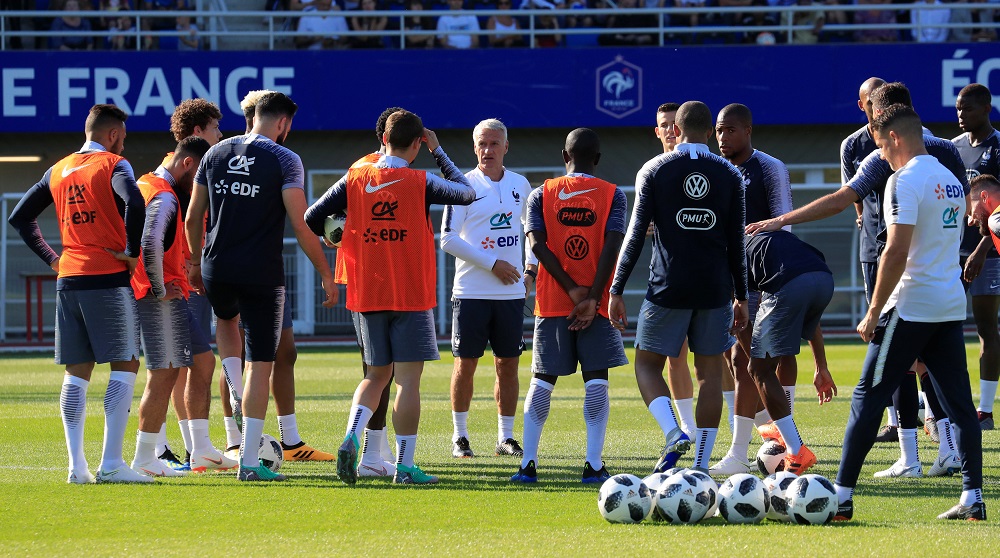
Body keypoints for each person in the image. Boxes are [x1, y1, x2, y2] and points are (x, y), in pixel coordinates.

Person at [747, 82, 969, 478]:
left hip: (900, 273)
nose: (875, 139)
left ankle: (878, 473)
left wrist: (781, 220)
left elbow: (843, 200)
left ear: (882, 118)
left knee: (880, 383)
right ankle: (954, 461)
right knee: (936, 371)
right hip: (947, 277)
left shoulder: (894, 162)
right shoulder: (945, 154)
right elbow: (963, 209)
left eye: (874, 123)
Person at [305, 110, 475, 486]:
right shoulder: (420, 180)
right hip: (410, 293)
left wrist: (340, 230)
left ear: (383, 139)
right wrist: (438, 150)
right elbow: (467, 192)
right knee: (407, 382)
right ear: (417, 144)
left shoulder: (355, 177)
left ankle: (351, 435)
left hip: (367, 291)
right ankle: (405, 467)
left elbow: (312, 216)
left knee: (376, 375)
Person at [834, 104, 985, 522]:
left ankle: (841, 498)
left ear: (895, 138)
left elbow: (896, 250)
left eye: (881, 145)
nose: (880, 154)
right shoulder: (950, 179)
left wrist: (874, 310)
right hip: (950, 304)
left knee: (867, 397)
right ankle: (973, 497)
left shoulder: (904, 180)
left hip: (911, 305)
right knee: (959, 404)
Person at [186, 91, 338, 482]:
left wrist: (192, 261)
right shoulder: (285, 158)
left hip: (215, 267)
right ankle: (250, 462)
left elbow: (192, 218)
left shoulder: (214, 153)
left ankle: (233, 407)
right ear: (283, 123)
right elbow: (301, 223)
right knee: (261, 364)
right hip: (261, 274)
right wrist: (325, 270)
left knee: (226, 326)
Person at [8, 104, 148, 484]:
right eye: (123, 137)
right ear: (114, 135)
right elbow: (134, 202)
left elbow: (19, 218)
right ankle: (112, 464)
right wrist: (133, 251)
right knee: (126, 364)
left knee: (77, 371)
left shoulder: (57, 169)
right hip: (106, 275)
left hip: (68, 278)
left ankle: (76, 468)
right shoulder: (114, 165)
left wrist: (53, 259)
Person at [609, 101, 748, 475]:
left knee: (646, 365)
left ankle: (673, 431)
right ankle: (701, 466)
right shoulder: (730, 175)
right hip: (715, 290)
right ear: (709, 131)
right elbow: (736, 241)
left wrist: (616, 288)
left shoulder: (654, 169)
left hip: (667, 287)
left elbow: (636, 233)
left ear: (677, 129)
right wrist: (742, 296)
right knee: (711, 377)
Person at [710, 103, 834, 474]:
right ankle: (752, 446)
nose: (723, 137)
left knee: (774, 358)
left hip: (767, 269)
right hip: (739, 270)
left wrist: (764, 277)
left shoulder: (769, 167)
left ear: (748, 130)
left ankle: (782, 438)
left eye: (730, 130)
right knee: (741, 361)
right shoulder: (716, 171)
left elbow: (783, 221)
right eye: (718, 130)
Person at [510, 128, 628, 484]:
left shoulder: (540, 194)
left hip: (552, 303)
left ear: (565, 156)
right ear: (597, 159)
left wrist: (572, 292)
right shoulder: (613, 195)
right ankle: (593, 466)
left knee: (542, 382)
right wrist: (592, 296)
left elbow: (537, 245)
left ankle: (528, 465)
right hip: (598, 306)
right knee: (597, 383)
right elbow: (612, 246)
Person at [129, 137, 233, 477]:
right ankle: (146, 456)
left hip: (167, 291)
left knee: (203, 363)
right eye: (200, 174)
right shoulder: (162, 193)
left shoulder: (148, 183)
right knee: (164, 374)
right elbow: (148, 242)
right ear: (188, 164)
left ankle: (200, 450)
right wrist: (159, 289)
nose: (201, 185)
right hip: (159, 296)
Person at [441, 118, 537, 459]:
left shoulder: (520, 184)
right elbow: (448, 239)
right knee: (465, 365)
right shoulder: (462, 185)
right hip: (470, 292)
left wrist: (530, 270)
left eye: (494, 143)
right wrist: (491, 263)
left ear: (506, 147)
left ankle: (506, 437)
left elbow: (531, 231)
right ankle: (460, 436)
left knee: (507, 366)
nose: (487, 150)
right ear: (474, 147)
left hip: (511, 295)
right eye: (482, 144)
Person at [151, 98, 224, 472]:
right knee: (171, 366)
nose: (220, 134)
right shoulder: (176, 179)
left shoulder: (184, 169)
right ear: (198, 132)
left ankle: (194, 447)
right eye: (215, 127)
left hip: (182, 280)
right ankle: (158, 448)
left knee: (191, 361)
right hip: (172, 285)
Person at [724, 230, 835, 475]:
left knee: (758, 369)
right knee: (763, 364)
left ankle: (795, 449)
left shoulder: (724, 254)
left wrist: (756, 365)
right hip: (823, 278)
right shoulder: (759, 245)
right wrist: (821, 367)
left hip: (790, 283)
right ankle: (783, 432)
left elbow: (738, 319)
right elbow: (812, 322)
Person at [343, 106, 407, 478]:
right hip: (382, 279)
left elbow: (331, 224)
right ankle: (371, 455)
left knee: (377, 369)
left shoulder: (357, 169)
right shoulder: (379, 171)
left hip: (359, 275)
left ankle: (373, 453)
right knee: (383, 370)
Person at [953, 84, 1000, 431]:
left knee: (986, 326)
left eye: (967, 109)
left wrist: (983, 249)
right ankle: (944, 407)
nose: (960, 115)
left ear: (986, 108)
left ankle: (985, 411)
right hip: (953, 251)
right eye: (957, 108)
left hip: (988, 253)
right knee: (943, 327)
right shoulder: (953, 149)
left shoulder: (998, 147)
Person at [651, 102, 697, 440]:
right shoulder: (652, 170)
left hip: (709, 273)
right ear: (657, 131)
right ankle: (688, 428)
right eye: (663, 124)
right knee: (675, 354)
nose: (670, 130)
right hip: (669, 275)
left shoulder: (704, 167)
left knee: (723, 357)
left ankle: (743, 426)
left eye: (673, 123)